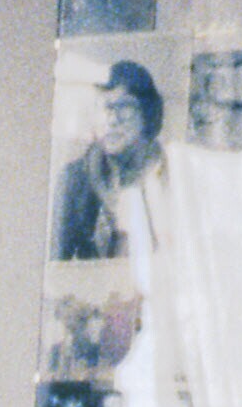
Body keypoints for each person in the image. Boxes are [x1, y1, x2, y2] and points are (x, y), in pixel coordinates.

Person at [52, 61, 165, 264]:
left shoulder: (171, 175)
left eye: (125, 107)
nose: (112, 120)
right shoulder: (75, 179)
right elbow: (55, 263)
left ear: (148, 112)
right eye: (103, 107)